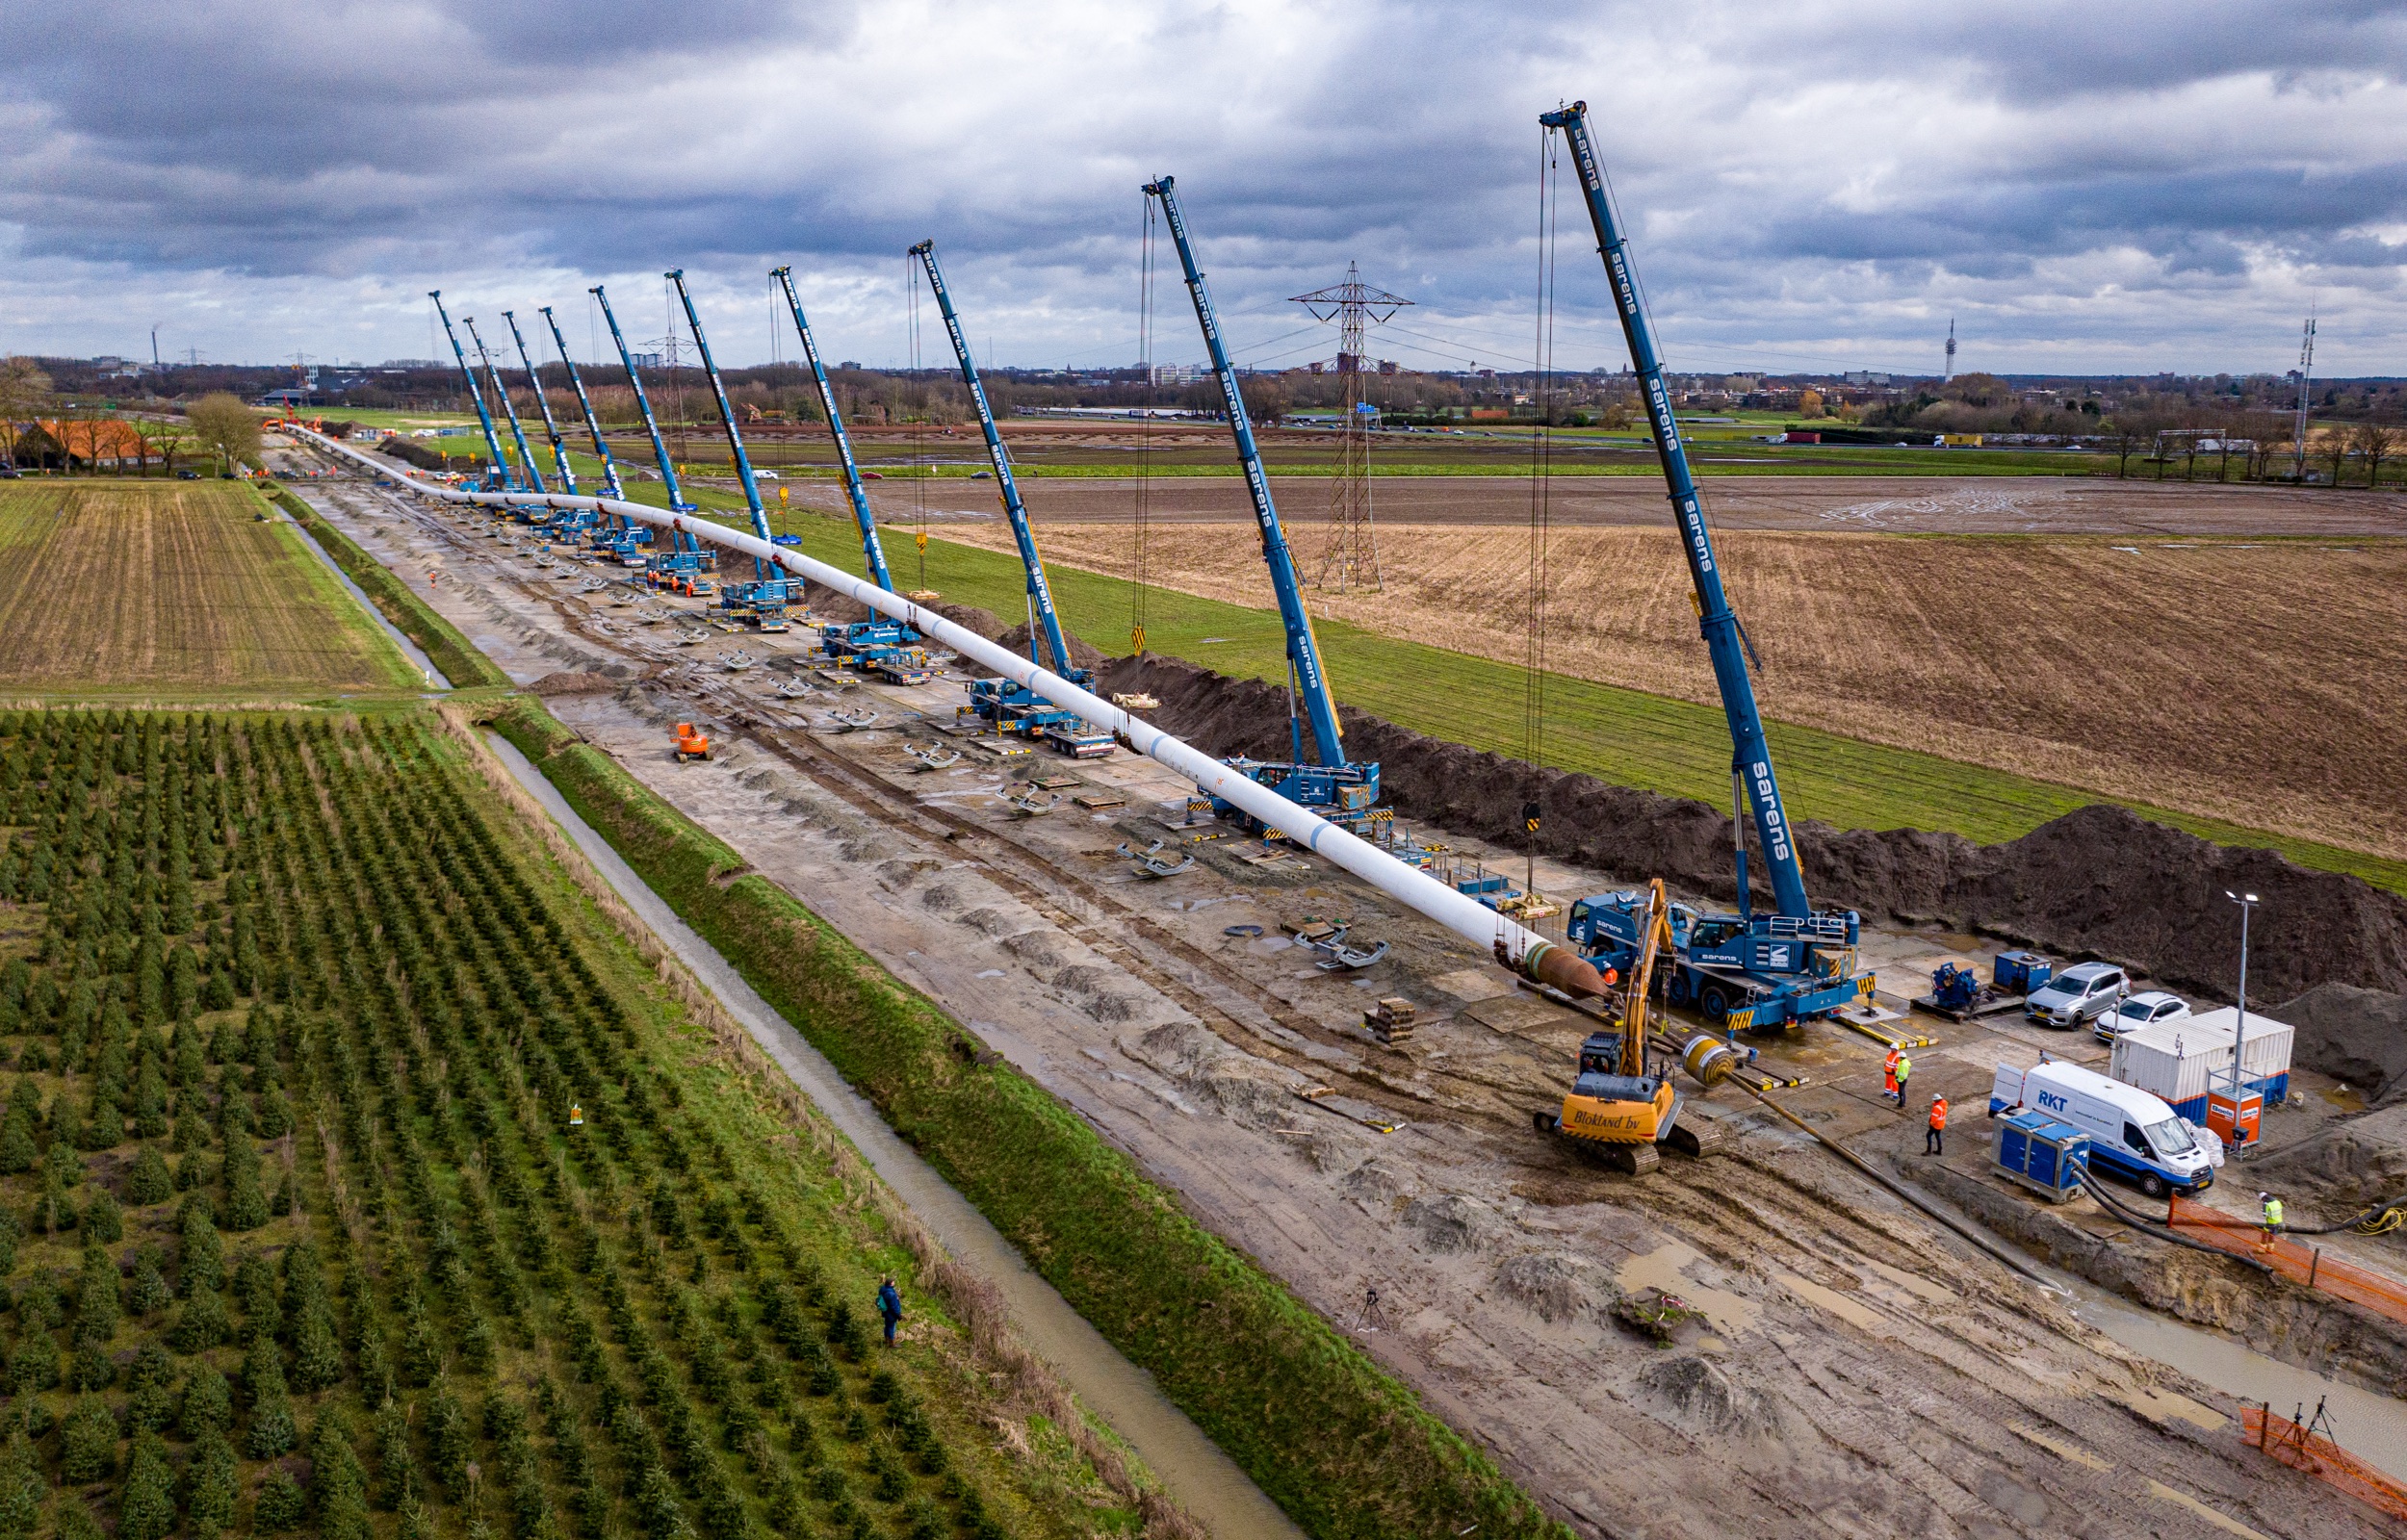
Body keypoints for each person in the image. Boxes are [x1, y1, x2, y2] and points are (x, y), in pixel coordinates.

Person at [876, 1276, 903, 1347]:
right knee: (891, 1327)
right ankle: (892, 1343)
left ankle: (886, 1339)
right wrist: (898, 1315)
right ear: (891, 1283)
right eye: (893, 1281)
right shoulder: (891, 1294)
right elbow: (893, 1307)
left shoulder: (883, 1289)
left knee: (887, 1326)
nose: (894, 1282)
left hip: (885, 1312)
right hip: (891, 1314)